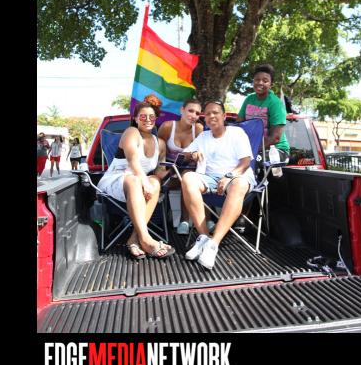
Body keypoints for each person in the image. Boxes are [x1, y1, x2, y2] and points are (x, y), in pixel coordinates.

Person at [180, 100, 256, 269]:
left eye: (215, 112)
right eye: (207, 114)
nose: (211, 116)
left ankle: (213, 244)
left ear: (224, 115)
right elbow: (184, 155)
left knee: (238, 185)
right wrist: (193, 154)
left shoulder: (237, 133)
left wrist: (229, 176)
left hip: (237, 176)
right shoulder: (203, 136)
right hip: (210, 178)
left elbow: (245, 163)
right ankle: (204, 237)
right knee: (188, 178)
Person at [97, 96, 175, 260]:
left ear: (156, 118)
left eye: (151, 116)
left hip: (140, 185)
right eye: (143, 116)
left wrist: (175, 170)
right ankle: (146, 239)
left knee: (155, 181)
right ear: (135, 118)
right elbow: (133, 161)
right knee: (136, 180)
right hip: (117, 181)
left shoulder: (160, 143)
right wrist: (144, 181)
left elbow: (159, 171)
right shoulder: (131, 132)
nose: (147, 119)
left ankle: (135, 238)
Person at [157, 98, 214, 235]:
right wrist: (162, 172)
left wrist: (195, 155)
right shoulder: (167, 127)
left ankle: (198, 220)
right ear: (182, 110)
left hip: (191, 171)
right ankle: (186, 220)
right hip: (170, 171)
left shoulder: (198, 129)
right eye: (190, 111)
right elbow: (158, 151)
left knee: (191, 176)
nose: (193, 115)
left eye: (197, 113)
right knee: (187, 176)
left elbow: (203, 152)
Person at [237, 63, 291, 163]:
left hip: (277, 150)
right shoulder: (249, 99)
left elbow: (275, 138)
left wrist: (250, 149)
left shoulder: (275, 103)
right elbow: (238, 126)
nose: (260, 83)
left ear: (271, 84)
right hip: (252, 147)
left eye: (265, 81)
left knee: (251, 160)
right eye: (257, 80)